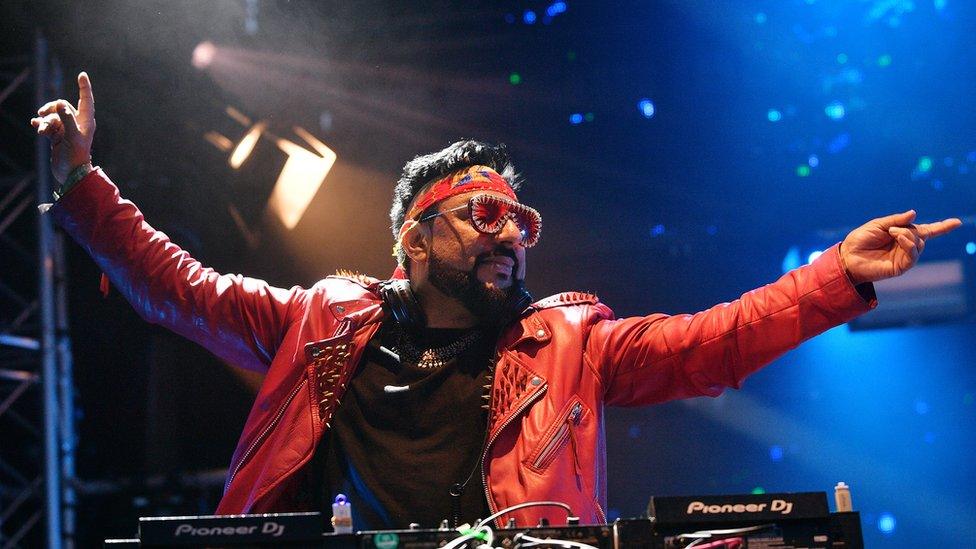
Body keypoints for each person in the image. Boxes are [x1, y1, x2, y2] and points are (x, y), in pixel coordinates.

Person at [31, 73, 961, 529]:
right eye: (483, 213)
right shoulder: (322, 319)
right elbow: (178, 288)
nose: (510, 233)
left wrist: (835, 274)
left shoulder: (571, 340)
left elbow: (709, 341)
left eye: (522, 219)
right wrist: (84, 185)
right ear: (415, 237)